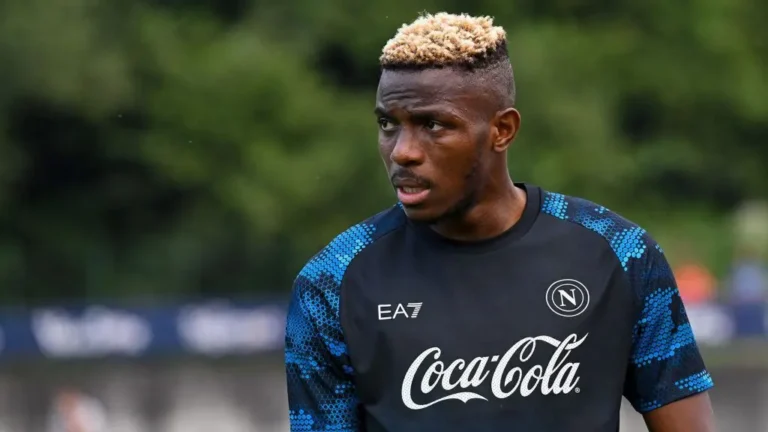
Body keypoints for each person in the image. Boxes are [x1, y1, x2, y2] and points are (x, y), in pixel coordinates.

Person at [284, 12, 715, 432]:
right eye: (388, 124)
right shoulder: (330, 284)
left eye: (432, 124)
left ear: (502, 130)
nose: (402, 151)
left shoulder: (621, 254)